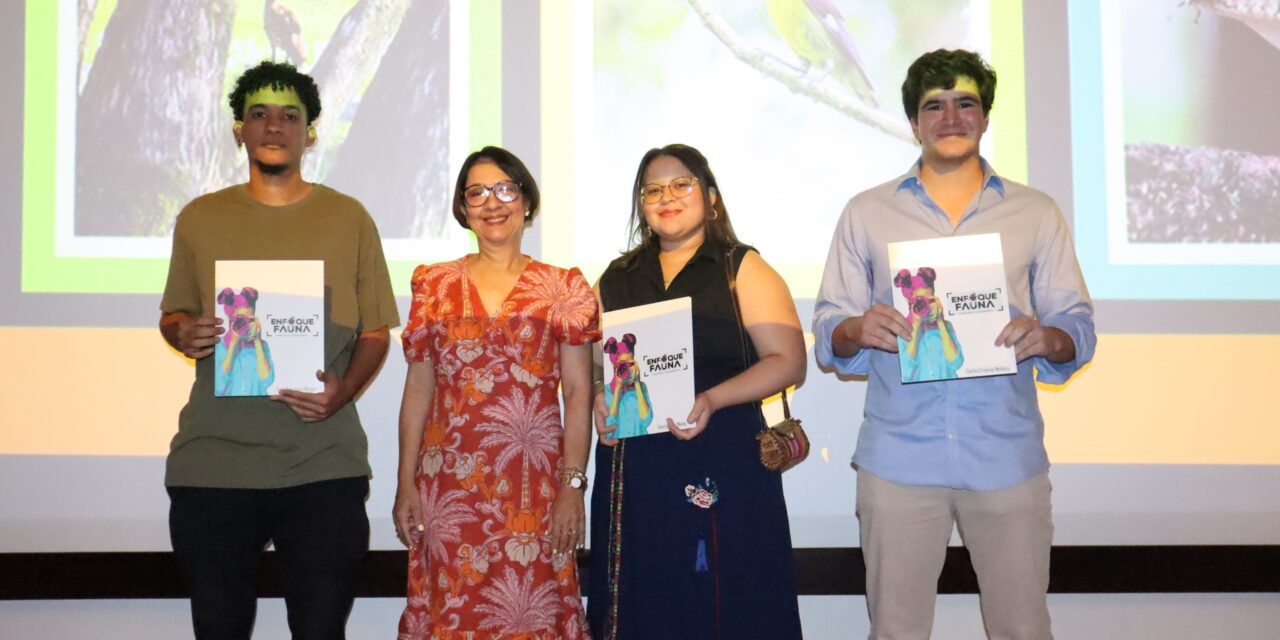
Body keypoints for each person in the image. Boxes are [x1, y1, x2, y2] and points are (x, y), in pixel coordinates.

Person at [813, 49, 1096, 639]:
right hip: (898, 460)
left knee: (1023, 629)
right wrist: (854, 329)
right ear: (914, 124)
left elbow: (1077, 324)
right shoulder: (866, 214)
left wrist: (1050, 337)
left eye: (965, 102)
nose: (950, 117)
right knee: (896, 631)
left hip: (1007, 457)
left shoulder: (1036, 212)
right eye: (933, 106)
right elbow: (828, 328)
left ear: (985, 117)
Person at [159, 61, 400, 639]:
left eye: (289, 115)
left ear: (310, 132)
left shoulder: (349, 217)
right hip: (214, 463)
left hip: (322, 464)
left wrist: (342, 391)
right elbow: (174, 316)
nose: (273, 125)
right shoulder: (199, 217)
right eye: (259, 114)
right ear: (238, 129)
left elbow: (375, 332)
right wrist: (181, 332)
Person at [586, 144, 806, 639]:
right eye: (653, 190)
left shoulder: (739, 267)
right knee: (645, 600)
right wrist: (602, 398)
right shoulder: (616, 278)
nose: (667, 197)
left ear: (710, 198)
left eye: (681, 184)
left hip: (724, 457)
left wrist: (712, 399)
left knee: (729, 598)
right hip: (637, 472)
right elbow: (597, 367)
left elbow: (789, 361)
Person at [394, 146, 598, 639]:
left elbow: (577, 392)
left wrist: (573, 487)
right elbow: (419, 387)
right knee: (453, 612)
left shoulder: (562, 286)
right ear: (463, 209)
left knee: (537, 614)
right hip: (449, 489)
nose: (492, 202)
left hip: (536, 487)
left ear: (526, 199)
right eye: (477, 192)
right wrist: (405, 483)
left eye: (505, 188)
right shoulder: (433, 284)